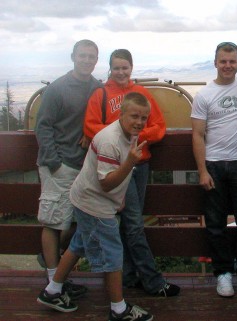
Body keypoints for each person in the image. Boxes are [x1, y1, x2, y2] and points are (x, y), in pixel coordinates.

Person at [37, 92, 154, 321]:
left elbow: (112, 179)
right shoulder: (110, 140)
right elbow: (106, 182)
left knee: (79, 243)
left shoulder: (128, 133)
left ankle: (52, 291)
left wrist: (119, 198)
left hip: (89, 198)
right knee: (113, 254)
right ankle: (118, 310)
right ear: (121, 115)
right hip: (94, 204)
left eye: (144, 117)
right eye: (134, 116)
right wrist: (131, 162)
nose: (140, 122)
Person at [83, 49, 180, 297]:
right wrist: (120, 135)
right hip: (116, 167)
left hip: (141, 166)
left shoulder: (142, 94)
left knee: (128, 223)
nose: (121, 72)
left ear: (132, 67)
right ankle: (153, 281)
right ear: (110, 69)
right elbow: (90, 126)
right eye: (116, 68)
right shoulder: (101, 95)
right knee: (134, 225)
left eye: (125, 67)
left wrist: (136, 136)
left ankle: (127, 276)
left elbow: (158, 127)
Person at [191, 42, 237, 297]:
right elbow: (197, 135)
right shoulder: (204, 95)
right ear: (215, 63)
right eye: (223, 61)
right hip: (214, 164)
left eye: (232, 61)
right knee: (215, 223)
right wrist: (202, 171)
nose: (227, 66)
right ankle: (223, 273)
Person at [35, 39, 101, 299]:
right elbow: (43, 126)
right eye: (82, 55)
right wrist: (54, 162)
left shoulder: (97, 88)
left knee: (80, 224)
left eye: (91, 57)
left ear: (97, 60)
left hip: (85, 168)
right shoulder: (58, 89)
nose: (86, 60)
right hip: (60, 165)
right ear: (73, 57)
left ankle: (59, 275)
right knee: (53, 222)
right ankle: (54, 281)